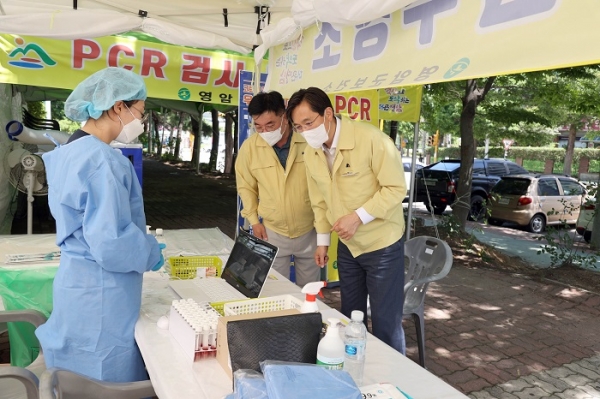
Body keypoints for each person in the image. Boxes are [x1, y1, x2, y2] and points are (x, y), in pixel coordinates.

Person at [35, 67, 166, 383]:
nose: (141, 122)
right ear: (118, 106)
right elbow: (112, 244)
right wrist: (149, 252)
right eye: (139, 112)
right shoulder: (102, 161)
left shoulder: (68, 153)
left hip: (77, 284)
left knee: (74, 375)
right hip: (102, 292)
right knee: (104, 377)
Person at [286, 87, 407, 354]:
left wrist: (358, 217)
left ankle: (393, 385)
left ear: (328, 114)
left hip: (382, 244)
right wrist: (322, 242)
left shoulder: (371, 139)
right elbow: (318, 201)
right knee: (351, 317)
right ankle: (357, 372)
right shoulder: (312, 151)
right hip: (348, 245)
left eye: (309, 123)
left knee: (386, 323)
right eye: (299, 127)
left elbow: (396, 189)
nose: (305, 131)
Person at [235, 91, 320, 287]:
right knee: (275, 289)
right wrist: (254, 221)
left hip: (310, 229)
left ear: (284, 116)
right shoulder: (250, 149)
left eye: (270, 125)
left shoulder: (309, 142)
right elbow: (246, 187)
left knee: (309, 290)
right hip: (271, 230)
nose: (264, 131)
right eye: (258, 126)